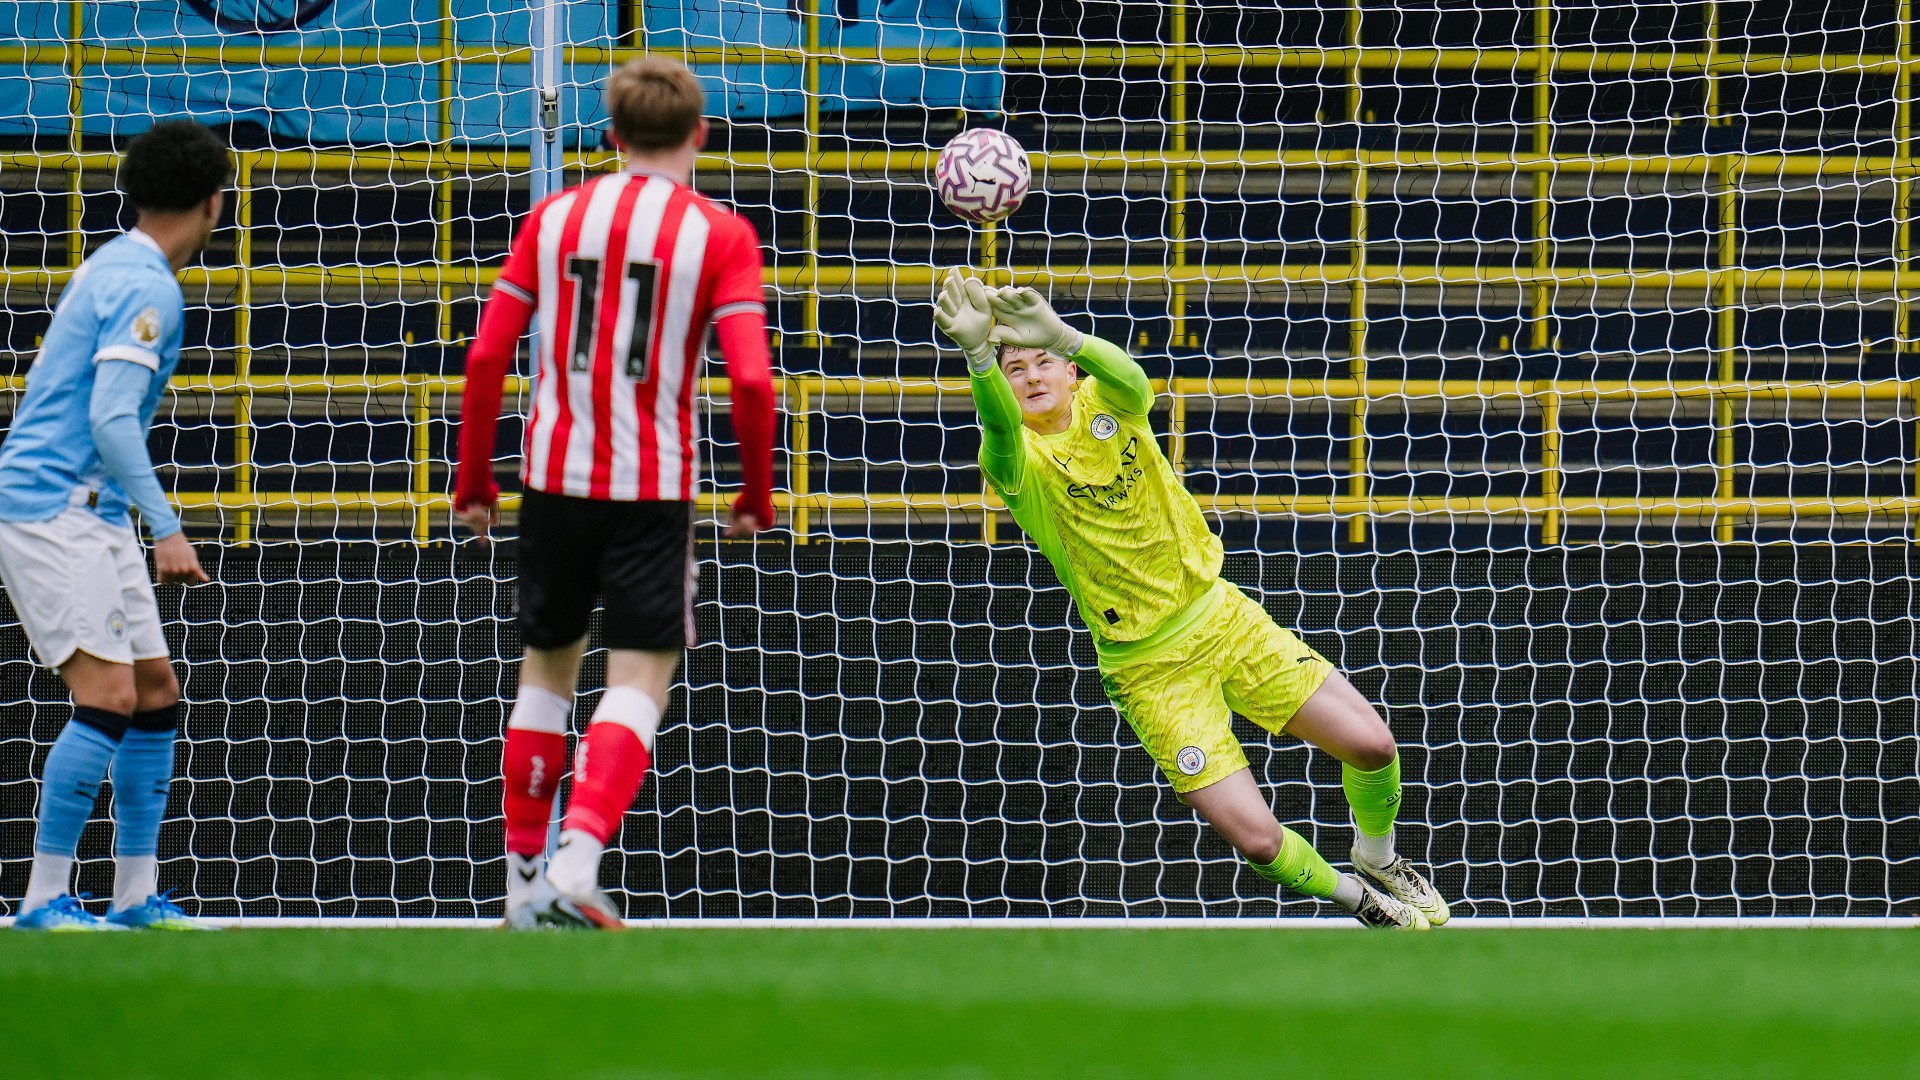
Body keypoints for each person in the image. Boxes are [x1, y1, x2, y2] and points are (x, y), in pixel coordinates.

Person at [933, 270, 1449, 928]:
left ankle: (1378, 857)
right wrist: (981, 358)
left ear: (1069, 373)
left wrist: (1065, 335)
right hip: (1149, 668)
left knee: (1374, 746)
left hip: (1223, 619)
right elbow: (1000, 431)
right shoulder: (1020, 465)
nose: (1031, 377)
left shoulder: (1109, 402)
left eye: (1042, 362)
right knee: (1258, 840)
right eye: (1014, 370)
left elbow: (1134, 381)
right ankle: (1357, 898)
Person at [453, 56, 777, 930]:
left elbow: (486, 358)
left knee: (545, 675)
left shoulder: (555, 217)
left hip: (552, 479)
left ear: (610, 138)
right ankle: (577, 862)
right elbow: (751, 380)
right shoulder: (720, 233)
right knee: (639, 678)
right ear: (701, 134)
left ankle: (523, 886)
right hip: (650, 488)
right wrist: (757, 491)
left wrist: (473, 478)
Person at [0, 119, 229, 931]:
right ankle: (41, 899)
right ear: (214, 202)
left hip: (91, 509)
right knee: (109, 694)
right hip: (53, 506)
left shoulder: (118, 264)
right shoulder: (146, 286)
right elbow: (110, 418)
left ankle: (133, 897)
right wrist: (168, 526)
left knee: (156, 691)